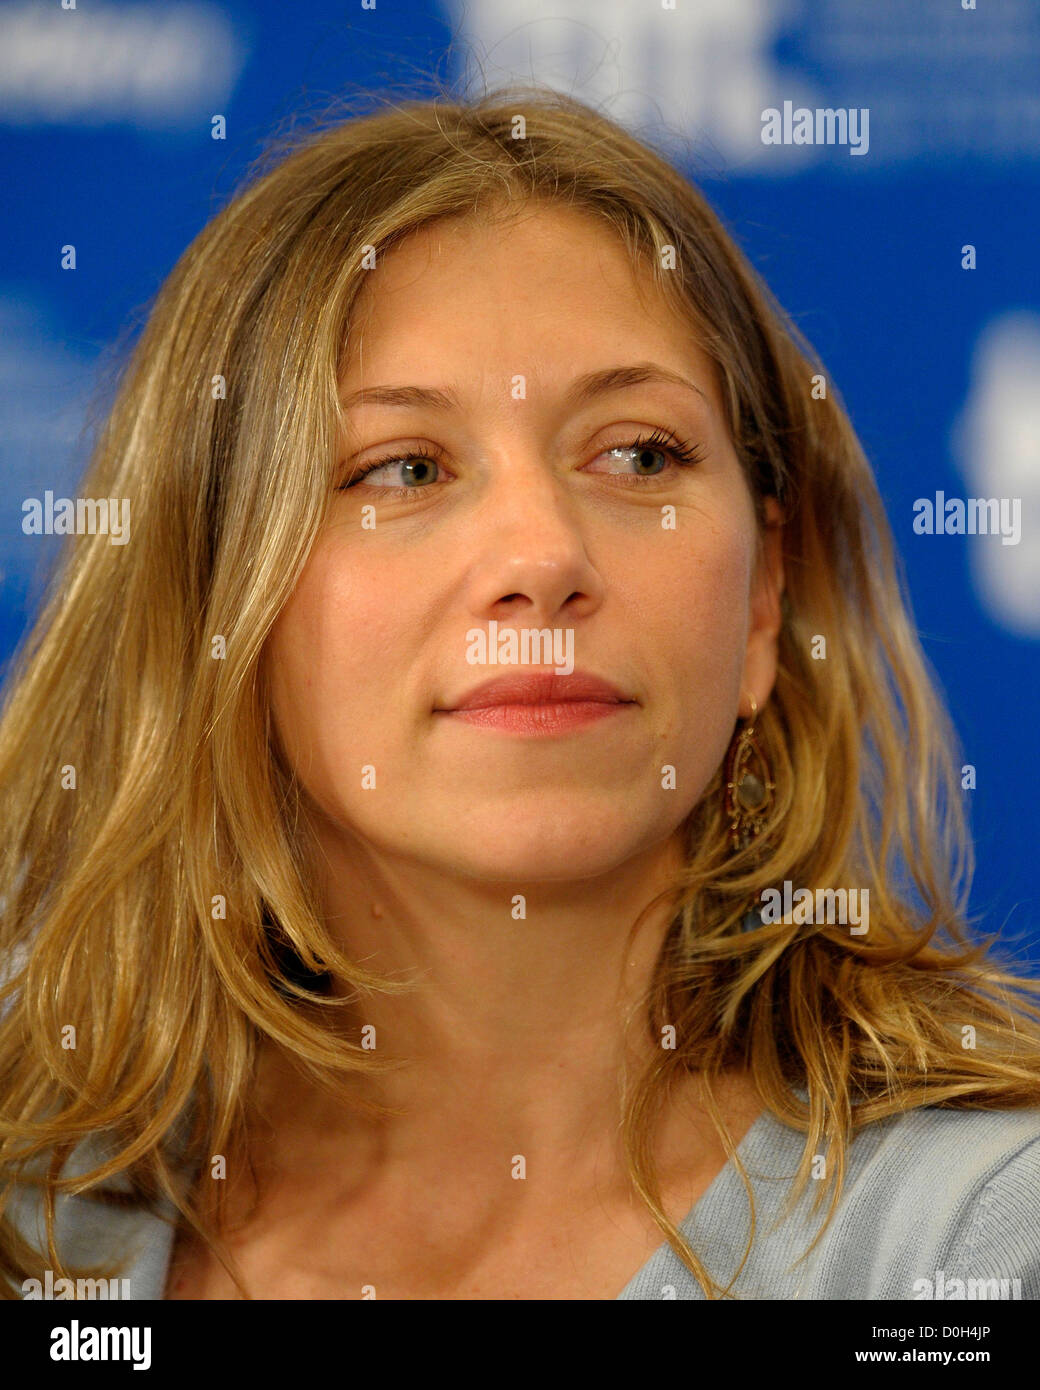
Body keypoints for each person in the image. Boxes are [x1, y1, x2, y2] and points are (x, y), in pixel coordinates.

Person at [2, 85, 1039, 1303]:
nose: (541, 556)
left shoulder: (977, 1246)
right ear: (211, 596)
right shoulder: (37, 1210)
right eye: (402, 467)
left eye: (637, 454)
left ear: (764, 602)